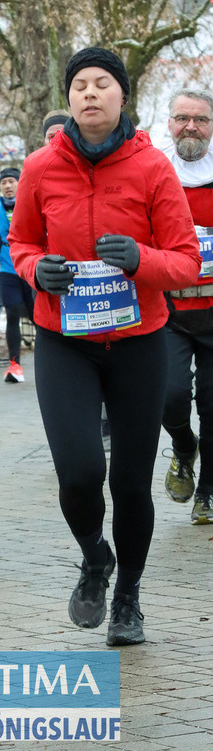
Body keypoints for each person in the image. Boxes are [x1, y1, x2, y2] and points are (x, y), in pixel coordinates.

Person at [8, 47, 200, 647]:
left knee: (130, 483)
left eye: (102, 84)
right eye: (80, 86)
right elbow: (19, 244)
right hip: (66, 342)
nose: (90, 94)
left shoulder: (153, 169)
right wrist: (38, 269)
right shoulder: (41, 167)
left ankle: (128, 598)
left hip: (140, 343)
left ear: (122, 98)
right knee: (80, 471)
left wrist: (141, 259)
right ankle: (95, 557)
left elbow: (186, 260)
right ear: (69, 101)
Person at [160, 88, 213, 524]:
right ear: (170, 124)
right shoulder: (156, 172)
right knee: (169, 396)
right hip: (170, 312)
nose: (191, 126)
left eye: (201, 119)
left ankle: (208, 492)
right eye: (183, 118)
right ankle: (182, 446)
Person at [0, 167, 36, 382]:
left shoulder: (30, 203)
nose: (8, 186)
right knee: (13, 315)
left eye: (12, 181)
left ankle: (49, 362)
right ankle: (15, 365)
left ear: (19, 183)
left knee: (38, 317)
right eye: (4, 182)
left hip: (30, 268)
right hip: (8, 270)